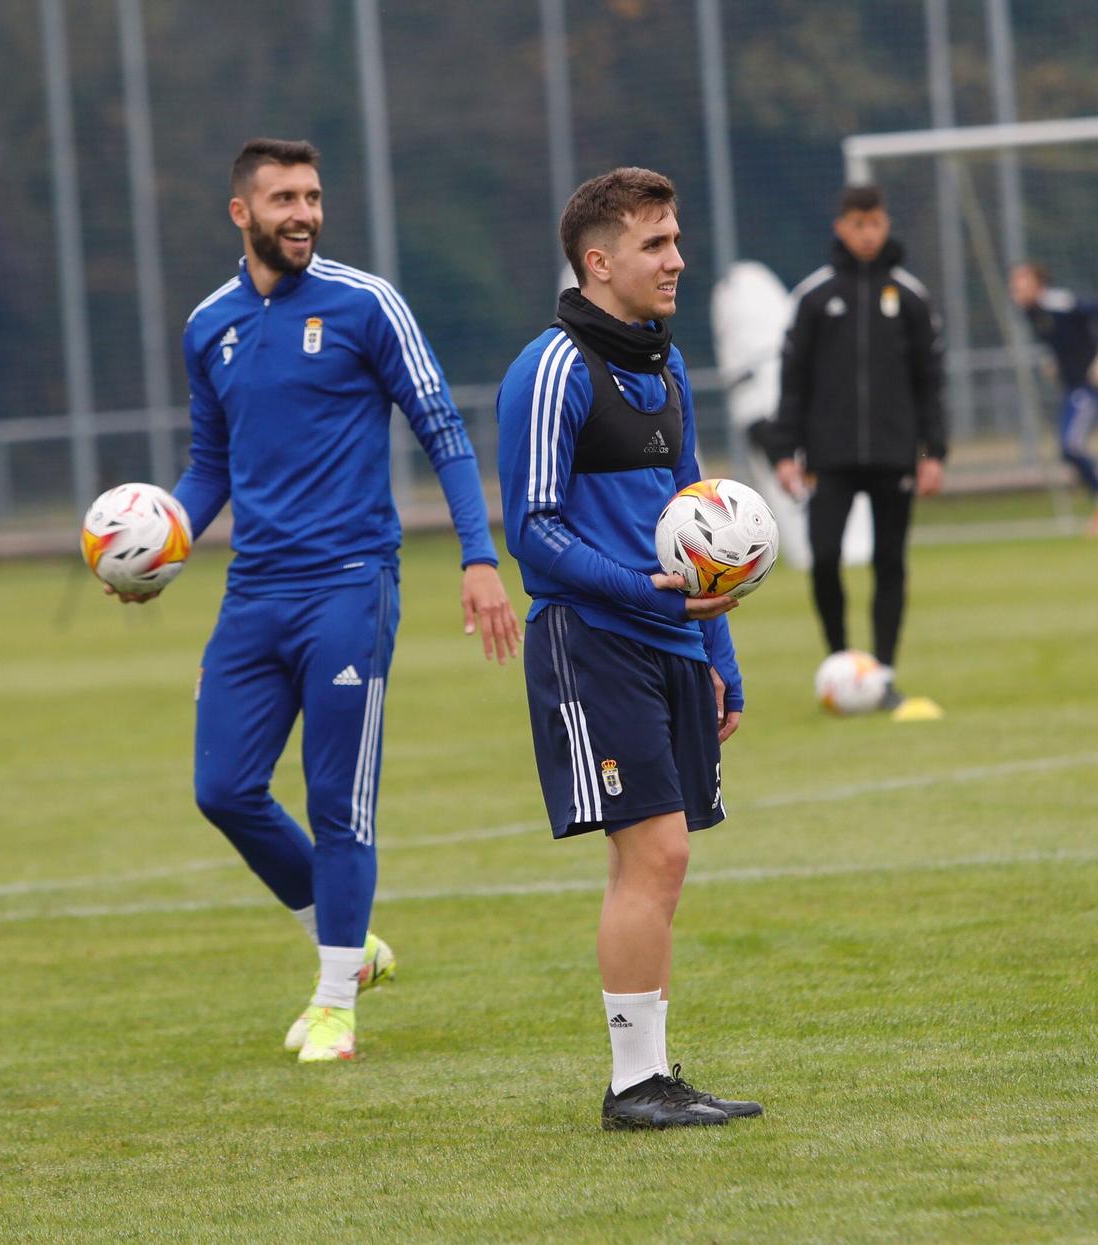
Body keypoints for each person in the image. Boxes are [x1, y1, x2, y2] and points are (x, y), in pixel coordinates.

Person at [115, 137, 519, 1063]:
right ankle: (352, 944)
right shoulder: (207, 324)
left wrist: (477, 555)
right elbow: (212, 463)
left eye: (313, 196)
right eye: (284, 198)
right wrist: (160, 545)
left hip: (349, 585)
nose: (303, 213)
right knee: (222, 788)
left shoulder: (366, 303)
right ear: (240, 213)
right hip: (254, 591)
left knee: (339, 801)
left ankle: (335, 1003)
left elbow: (443, 429)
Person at [496, 167, 762, 1129]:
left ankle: (646, 1077)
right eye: (656, 245)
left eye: (677, 239)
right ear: (598, 262)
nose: (677, 259)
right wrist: (631, 586)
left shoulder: (668, 365)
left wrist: (720, 654)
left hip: (672, 644)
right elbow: (530, 527)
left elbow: (697, 524)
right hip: (592, 638)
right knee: (656, 849)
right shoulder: (553, 368)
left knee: (661, 859)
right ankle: (634, 1087)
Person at [767, 184, 947, 708]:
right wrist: (785, 451)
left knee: (889, 560)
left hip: (894, 453)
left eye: (875, 223)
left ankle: (883, 674)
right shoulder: (816, 296)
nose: (867, 234)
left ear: (885, 225)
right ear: (841, 227)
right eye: (857, 224)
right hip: (831, 455)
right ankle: (842, 664)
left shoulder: (909, 295)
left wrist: (934, 451)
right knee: (825, 557)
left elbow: (929, 379)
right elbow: (792, 379)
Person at [1008, 261, 1098, 538]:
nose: (1016, 290)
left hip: (1091, 384)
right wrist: (1053, 360)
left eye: (1022, 283)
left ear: (1039, 284)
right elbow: (1060, 339)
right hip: (1072, 387)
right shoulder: (1031, 313)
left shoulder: (1059, 303)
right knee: (1067, 450)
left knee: (1071, 445)